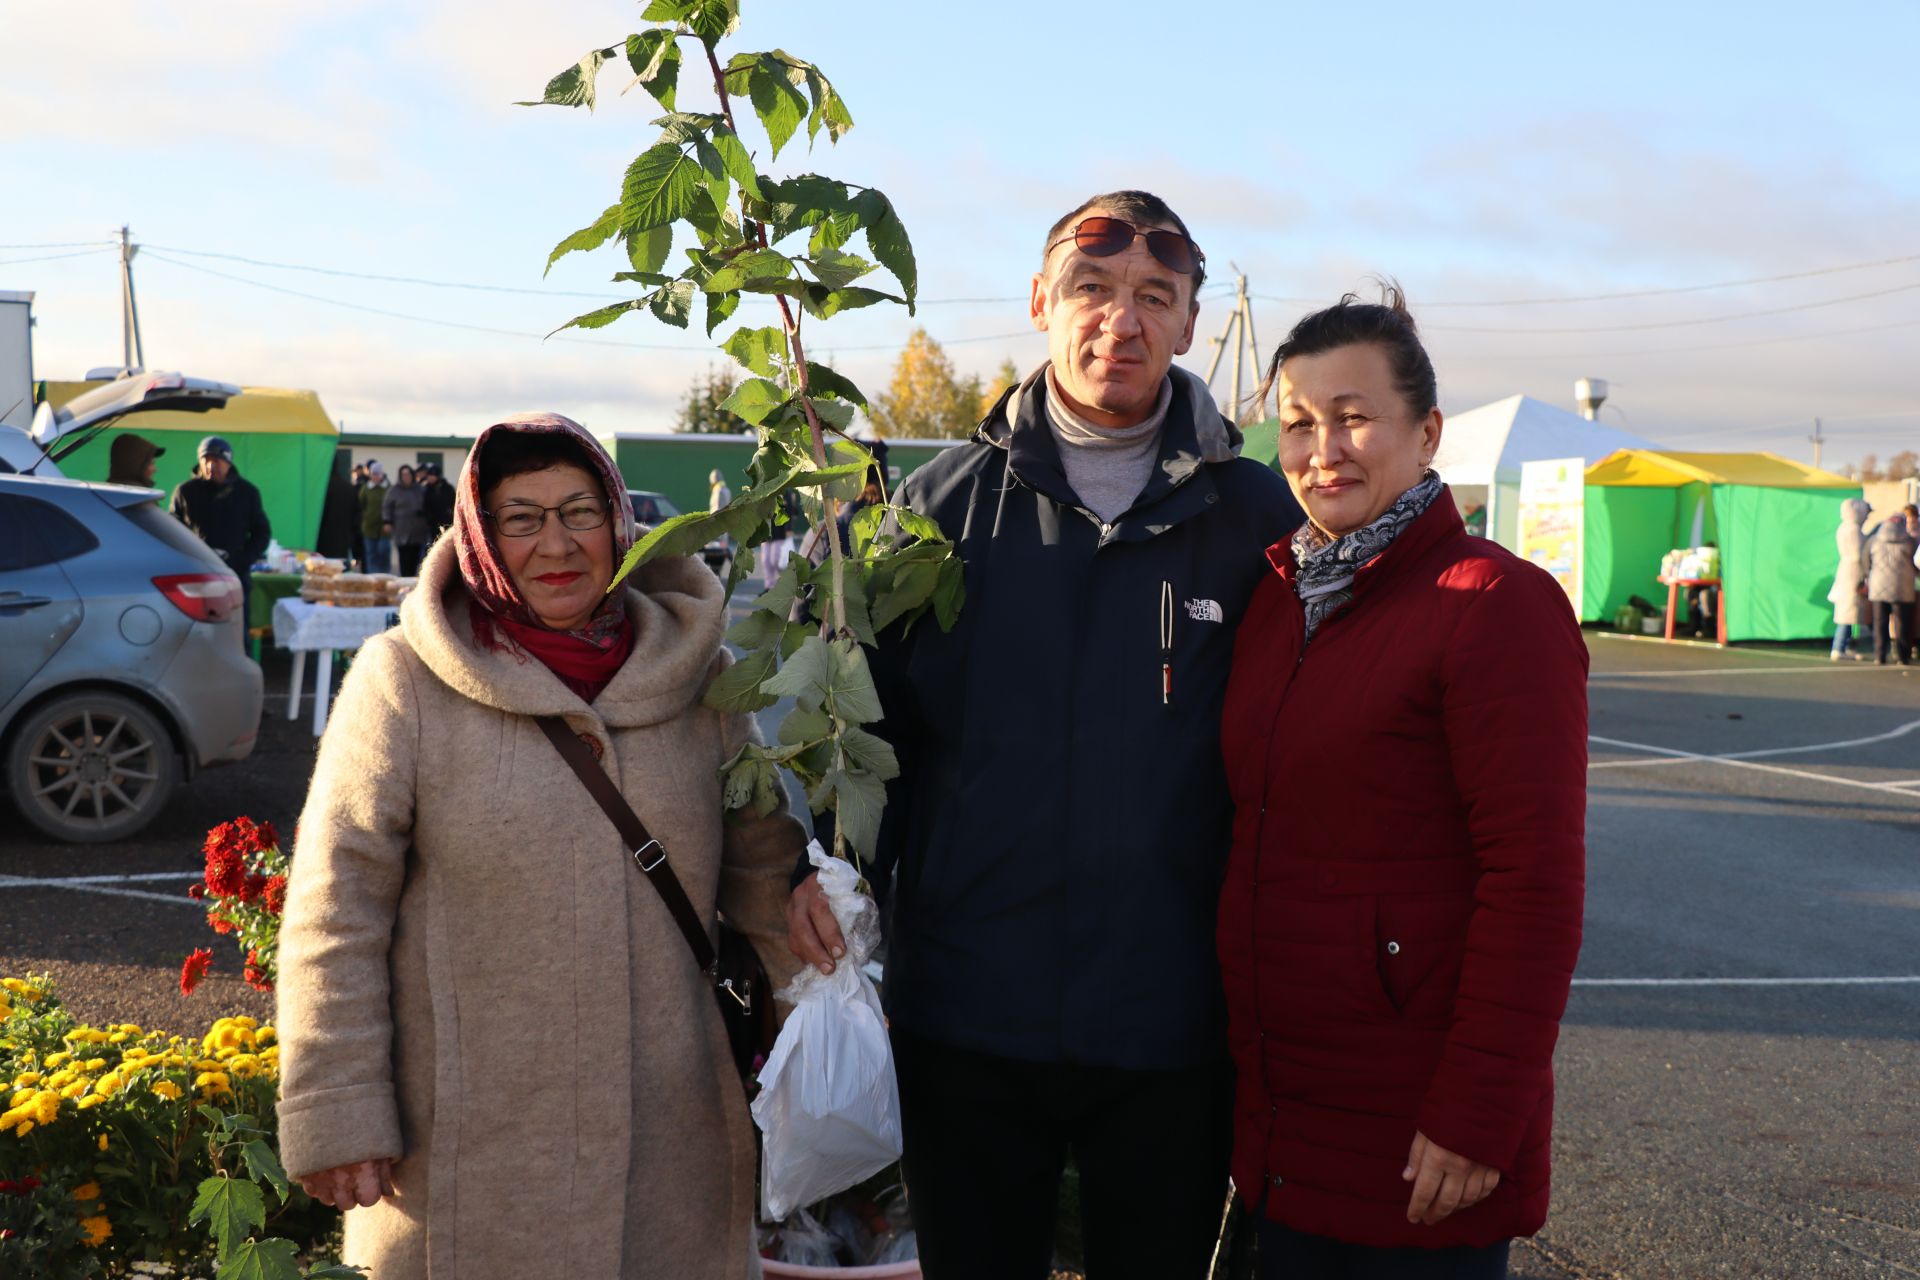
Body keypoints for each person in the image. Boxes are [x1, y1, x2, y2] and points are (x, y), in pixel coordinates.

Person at [785, 190, 1302, 1278]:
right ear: (1040, 302)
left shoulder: (1256, 518)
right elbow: (845, 733)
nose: (1122, 319)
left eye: (1155, 296)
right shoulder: (926, 512)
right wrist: (813, 869)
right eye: (1093, 289)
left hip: (1174, 1020)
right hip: (970, 1015)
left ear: (1190, 323)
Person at [275, 413, 805, 1279]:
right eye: (521, 518)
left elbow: (763, 875)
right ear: (480, 535)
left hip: (671, 1147)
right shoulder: (405, 681)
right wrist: (338, 1107)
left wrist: (818, 1050)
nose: (555, 544)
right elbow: (337, 909)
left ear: (619, 523)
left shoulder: (702, 678)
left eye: (579, 512)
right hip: (464, 1143)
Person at [1216, 290, 1587, 1279]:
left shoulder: (1493, 604)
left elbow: (1535, 880)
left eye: (1353, 415)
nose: (1322, 448)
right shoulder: (1281, 600)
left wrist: (1478, 1116)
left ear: (1427, 433)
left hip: (1423, 1141)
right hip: (1288, 1132)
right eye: (1298, 423)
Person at [169, 436, 271, 633]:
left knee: (237, 634)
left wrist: (242, 560)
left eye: (216, 460)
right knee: (196, 635)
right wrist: (188, 559)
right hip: (196, 577)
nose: (209, 465)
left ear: (228, 461)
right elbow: (172, 531)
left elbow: (262, 532)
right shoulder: (185, 492)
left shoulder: (247, 492)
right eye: (205, 460)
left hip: (234, 575)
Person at [1866, 512, 1916, 664]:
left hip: (1878, 586)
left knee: (1880, 622)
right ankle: (1903, 656)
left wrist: (1869, 575)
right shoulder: (1910, 541)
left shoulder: (1874, 540)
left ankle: (1879, 655)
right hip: (1903, 587)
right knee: (1903, 623)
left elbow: (1865, 561)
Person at [1828, 498, 1871, 660]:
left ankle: (1843, 646)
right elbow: (1858, 554)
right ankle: (1839, 647)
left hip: (1847, 573)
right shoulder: (1853, 530)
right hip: (1853, 575)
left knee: (1848, 612)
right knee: (1847, 613)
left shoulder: (1844, 527)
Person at [382, 463, 433, 576]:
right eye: (403, 475)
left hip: (418, 530)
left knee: (415, 559)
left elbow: (428, 504)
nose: (406, 477)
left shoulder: (420, 490)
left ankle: (411, 580)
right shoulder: (394, 490)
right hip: (401, 529)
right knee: (404, 558)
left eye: (408, 474)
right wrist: (387, 521)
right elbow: (387, 507)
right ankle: (404, 579)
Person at [357, 460, 391, 573]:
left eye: (378, 474)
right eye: (373, 474)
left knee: (384, 551)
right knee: (371, 554)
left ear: (381, 474)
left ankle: (385, 575)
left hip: (384, 527)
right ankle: (373, 578)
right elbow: (360, 504)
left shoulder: (387, 488)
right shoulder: (366, 488)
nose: (376, 476)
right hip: (369, 527)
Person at [421, 461, 457, 539]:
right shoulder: (425, 488)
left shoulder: (447, 488)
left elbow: (453, 503)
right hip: (429, 525)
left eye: (433, 475)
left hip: (446, 523)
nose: (431, 477)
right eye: (429, 475)